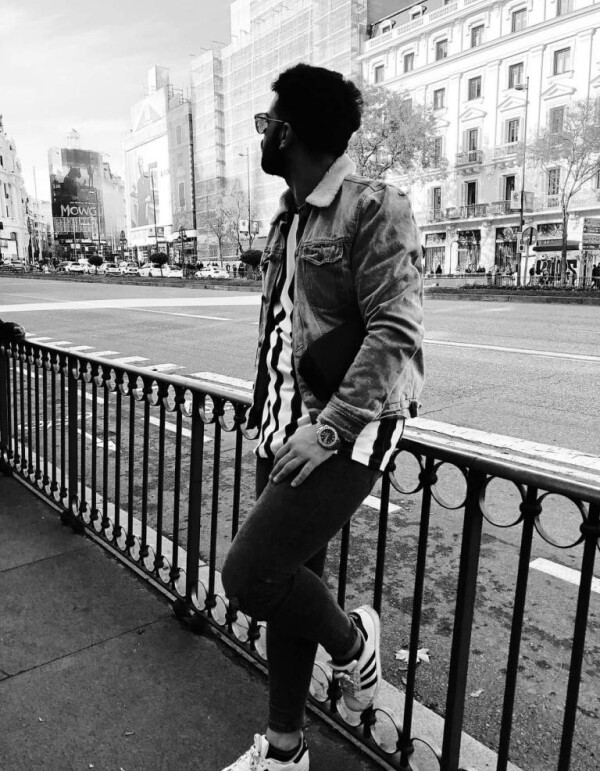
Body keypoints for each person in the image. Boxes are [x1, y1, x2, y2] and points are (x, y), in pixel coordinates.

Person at [220, 63, 424, 771]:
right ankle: (284, 749)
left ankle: (354, 645)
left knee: (249, 575)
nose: (262, 133)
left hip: (346, 431)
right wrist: (271, 421)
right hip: (284, 428)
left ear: (292, 131)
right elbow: (283, 333)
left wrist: (330, 428)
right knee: (281, 580)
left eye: (268, 121)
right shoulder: (289, 218)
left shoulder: (374, 206)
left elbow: (396, 329)